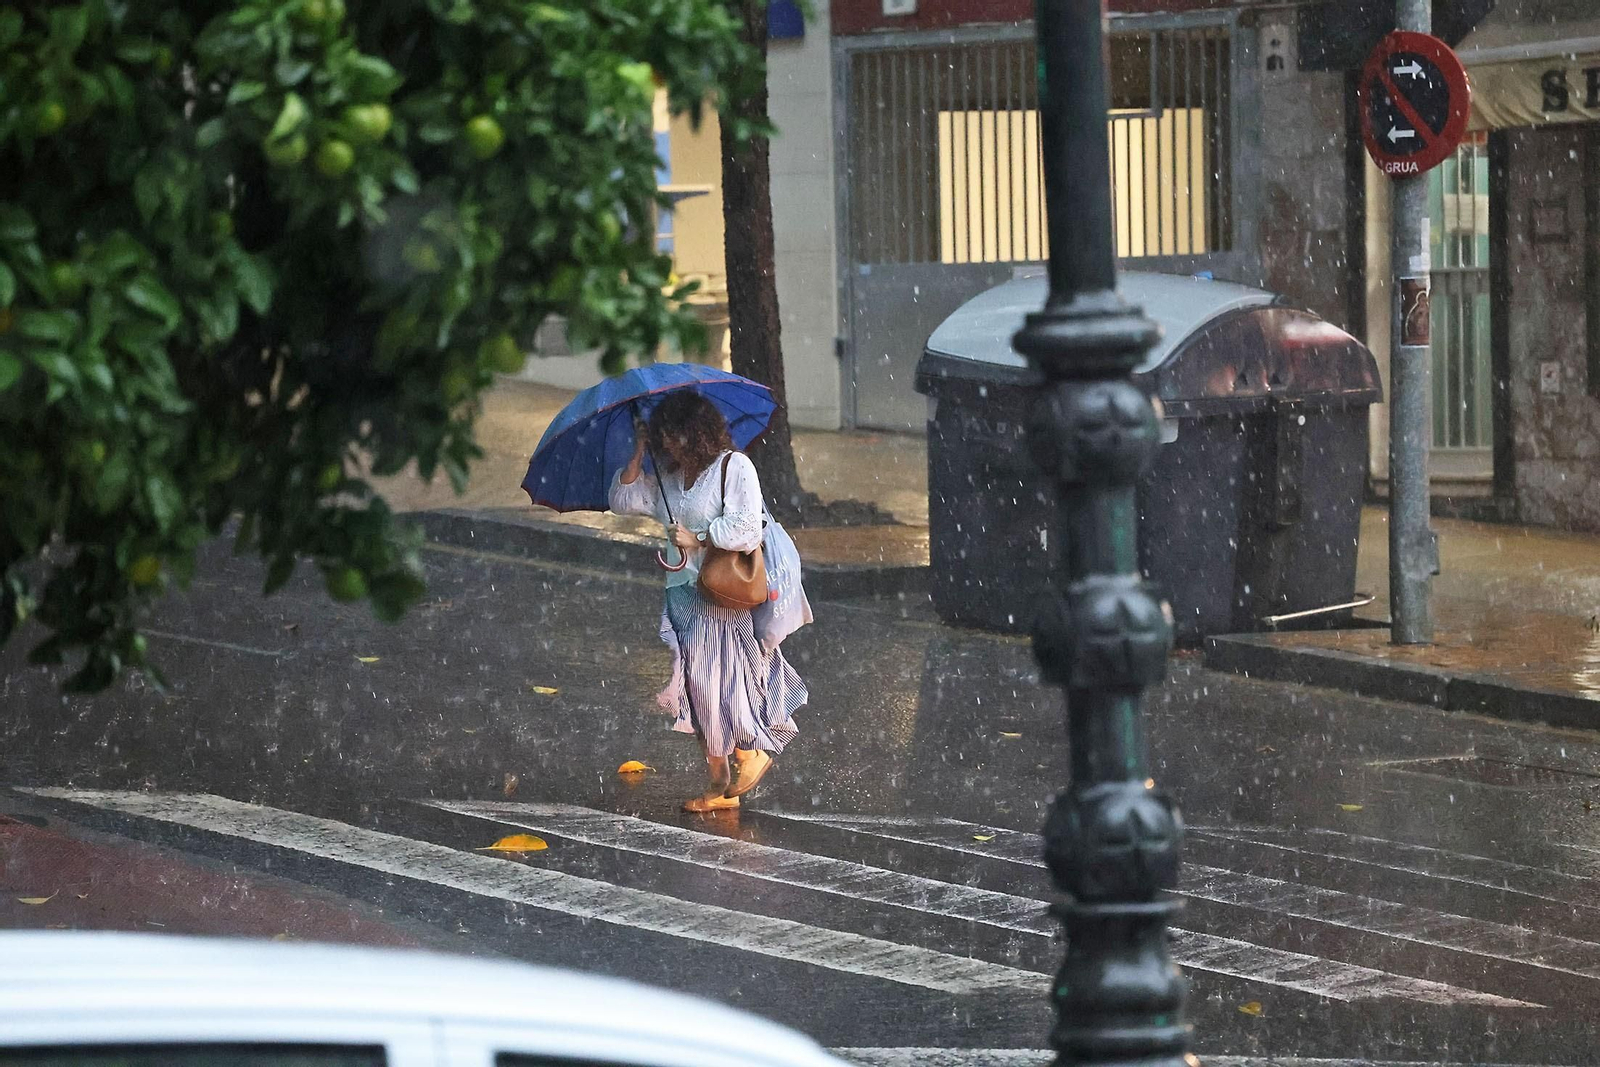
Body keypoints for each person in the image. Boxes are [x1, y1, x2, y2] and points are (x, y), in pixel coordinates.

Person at [609, 391, 807, 812]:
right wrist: (639, 451)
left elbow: (747, 529)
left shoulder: (733, 468)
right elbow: (623, 501)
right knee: (697, 691)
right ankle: (719, 782)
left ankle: (748, 755)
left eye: (674, 435)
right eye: (663, 437)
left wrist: (698, 538)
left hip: (720, 592)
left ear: (697, 432)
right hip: (680, 593)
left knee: (720, 684)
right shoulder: (669, 477)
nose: (670, 445)